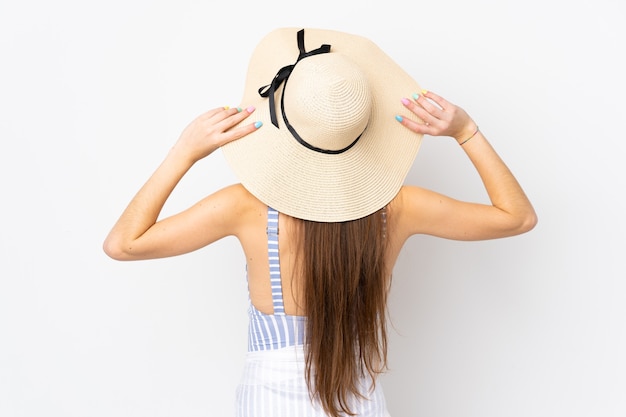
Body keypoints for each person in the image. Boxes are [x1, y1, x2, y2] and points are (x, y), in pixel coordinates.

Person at [103, 27, 537, 417]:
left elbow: (123, 244)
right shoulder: (400, 208)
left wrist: (185, 152)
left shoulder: (242, 207)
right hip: (359, 405)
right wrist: (466, 131)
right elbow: (516, 217)